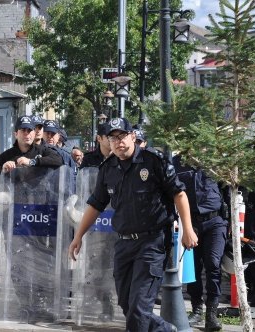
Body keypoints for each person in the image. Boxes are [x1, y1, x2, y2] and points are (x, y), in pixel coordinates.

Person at [69, 117, 198, 332]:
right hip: (124, 244)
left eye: (122, 136)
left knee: (139, 308)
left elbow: (179, 194)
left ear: (132, 136)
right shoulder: (108, 168)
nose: (119, 142)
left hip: (152, 242)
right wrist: (78, 236)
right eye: (113, 138)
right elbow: (95, 205)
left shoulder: (153, 161)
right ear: (107, 141)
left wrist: (188, 229)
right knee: (127, 304)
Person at [172, 155, 227, 330]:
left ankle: (212, 312)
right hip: (191, 224)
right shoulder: (176, 163)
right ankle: (196, 309)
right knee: (193, 268)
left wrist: (231, 221)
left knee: (213, 263)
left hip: (215, 221)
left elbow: (228, 189)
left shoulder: (215, 159)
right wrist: (174, 219)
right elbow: (170, 192)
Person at [0, 116, 63, 185]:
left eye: (29, 130)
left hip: (39, 196)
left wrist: (32, 161)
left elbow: (58, 159)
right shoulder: (5, 156)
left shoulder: (42, 150)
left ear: (34, 133)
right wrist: (3, 172)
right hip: (14, 197)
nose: (27, 134)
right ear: (16, 134)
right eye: (23, 130)